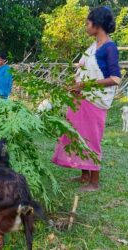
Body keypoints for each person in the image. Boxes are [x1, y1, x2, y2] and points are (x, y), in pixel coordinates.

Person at [52, 6, 121, 192]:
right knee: (78, 136)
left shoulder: (109, 48)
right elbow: (82, 72)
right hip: (81, 98)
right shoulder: (92, 47)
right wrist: (75, 85)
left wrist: (86, 85)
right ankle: (84, 175)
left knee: (91, 139)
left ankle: (94, 182)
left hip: (95, 100)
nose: (86, 26)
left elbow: (115, 78)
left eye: (87, 23)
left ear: (97, 25)